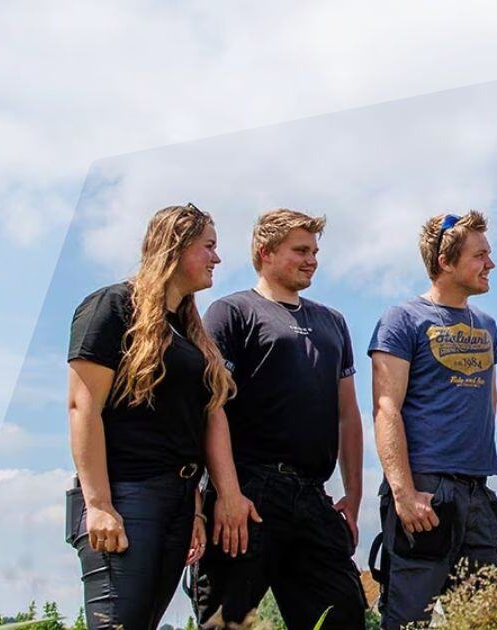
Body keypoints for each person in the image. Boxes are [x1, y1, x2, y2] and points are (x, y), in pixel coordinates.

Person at [190, 210, 367, 628]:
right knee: (229, 621)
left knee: (343, 615)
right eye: (300, 250)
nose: (312, 260)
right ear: (266, 253)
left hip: (312, 494)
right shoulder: (231, 312)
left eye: (315, 251)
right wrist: (226, 494)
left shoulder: (333, 322)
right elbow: (210, 407)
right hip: (249, 492)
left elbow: (348, 415)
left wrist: (354, 498)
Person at [67, 203, 236, 629]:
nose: (217, 258)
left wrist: (195, 509)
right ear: (175, 247)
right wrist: (99, 504)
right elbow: (82, 406)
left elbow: (186, 426)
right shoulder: (111, 306)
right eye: (209, 246)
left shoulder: (187, 331)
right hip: (125, 496)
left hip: (176, 501)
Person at [368, 211, 497, 629]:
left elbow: (490, 401)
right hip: (425, 491)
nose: (491, 264)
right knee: (409, 621)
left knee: (486, 621)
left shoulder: (486, 325)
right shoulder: (403, 319)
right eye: (480, 255)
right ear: (447, 262)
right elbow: (386, 407)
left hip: (477, 492)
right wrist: (403, 492)